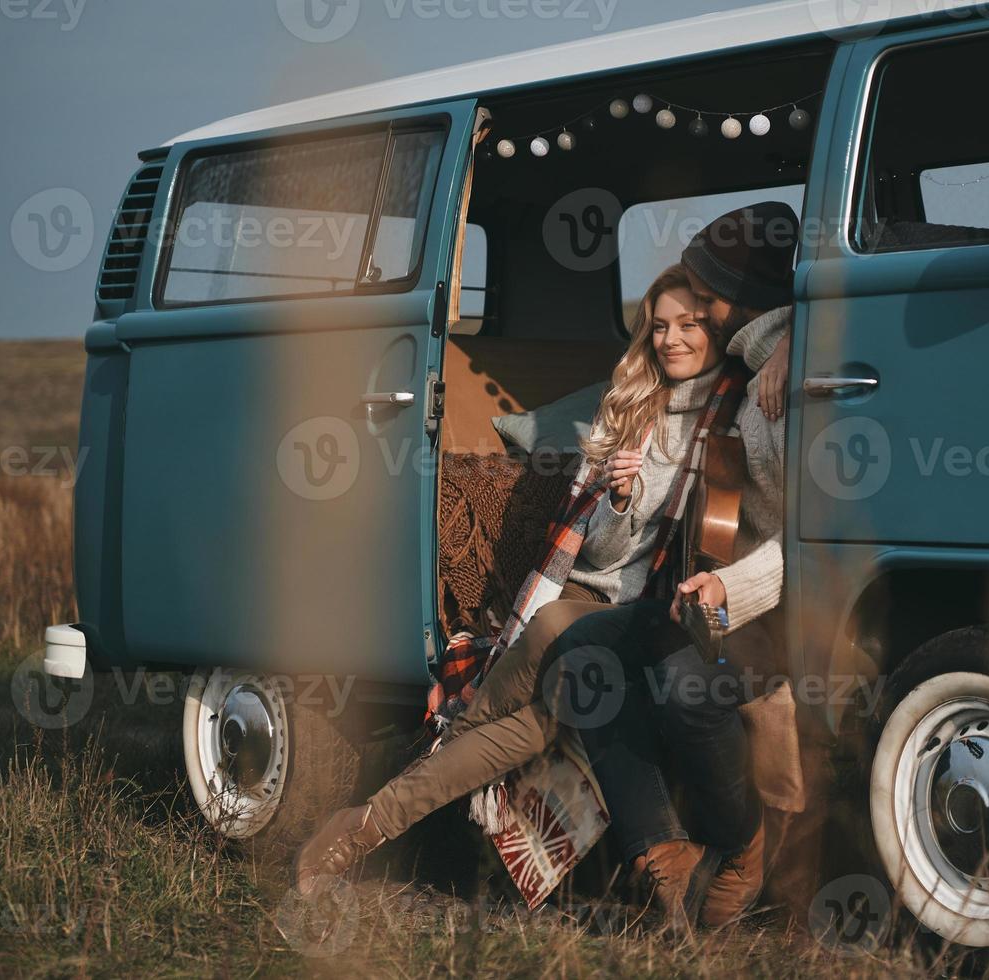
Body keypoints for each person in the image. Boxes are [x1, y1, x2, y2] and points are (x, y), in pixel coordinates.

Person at [293, 261, 787, 898]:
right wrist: (618, 501)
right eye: (659, 326)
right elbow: (602, 559)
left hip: (644, 614)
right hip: (587, 595)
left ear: (717, 332)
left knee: (527, 713)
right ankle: (370, 829)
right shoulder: (629, 408)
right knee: (539, 703)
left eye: (690, 325)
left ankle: (367, 824)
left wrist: (784, 346)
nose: (672, 340)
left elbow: (793, 322)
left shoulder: (736, 412)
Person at [541, 201, 797, 932]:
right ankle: (662, 855)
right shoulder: (757, 362)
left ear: (736, 303)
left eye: (706, 301)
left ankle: (740, 846)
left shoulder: (775, 391)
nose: (693, 317)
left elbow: (806, 541)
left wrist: (727, 587)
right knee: (583, 648)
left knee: (684, 685)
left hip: (772, 598)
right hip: (714, 588)